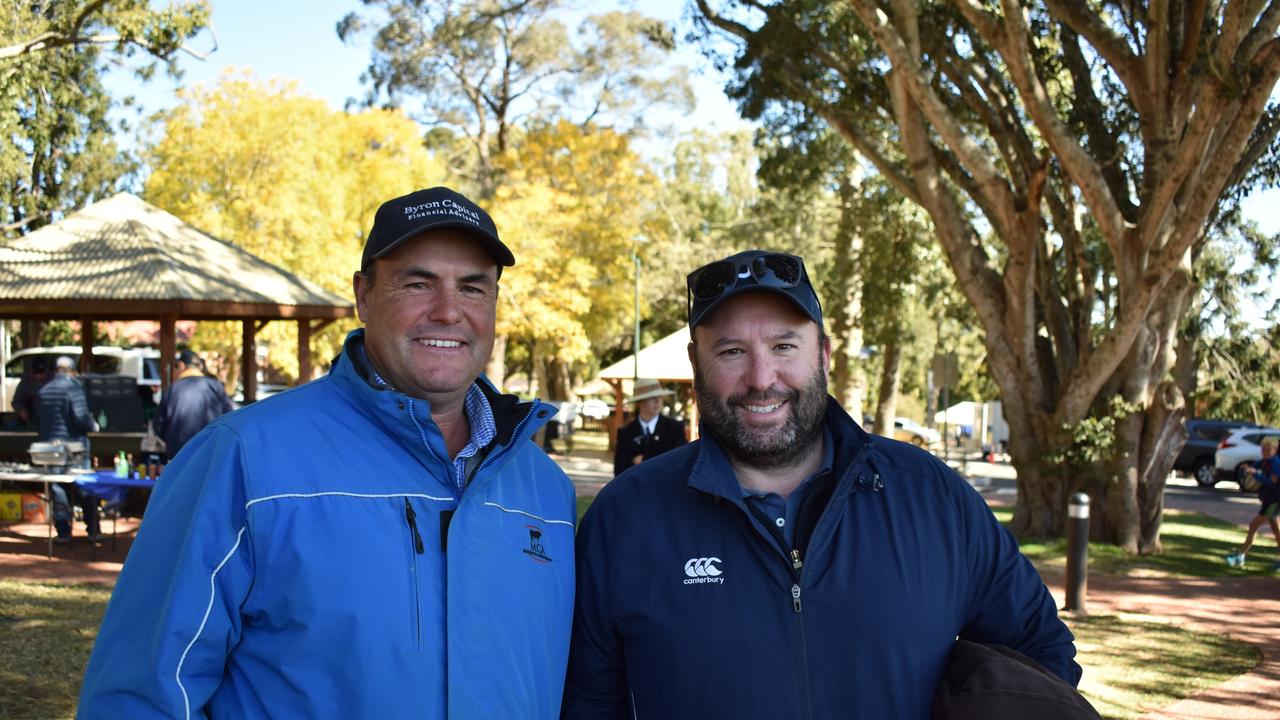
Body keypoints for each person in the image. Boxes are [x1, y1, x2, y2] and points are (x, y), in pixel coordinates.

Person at [79, 186, 577, 718]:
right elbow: (143, 697)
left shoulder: (547, 490)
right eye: (418, 283)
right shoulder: (242, 460)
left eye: (473, 288)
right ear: (363, 296)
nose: (448, 311)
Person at [564, 250, 1080, 718]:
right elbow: (588, 703)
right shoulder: (624, 520)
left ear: (825, 355)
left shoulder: (933, 498)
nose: (761, 377)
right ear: (696, 364)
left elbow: (1040, 653)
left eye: (784, 345)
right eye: (730, 352)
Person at [35, 356, 101, 543]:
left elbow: (38, 424)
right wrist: (94, 425)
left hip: (50, 449)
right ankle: (93, 530)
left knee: (57, 488)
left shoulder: (43, 391)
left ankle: (63, 532)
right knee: (85, 487)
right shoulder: (74, 389)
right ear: (72, 372)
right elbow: (81, 418)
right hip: (75, 448)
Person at [152, 349, 235, 457]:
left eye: (175, 367)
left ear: (181, 365)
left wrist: (172, 439)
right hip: (211, 453)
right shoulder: (216, 386)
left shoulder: (172, 390)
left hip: (179, 455)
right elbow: (229, 418)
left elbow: (158, 426)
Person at [1224, 435, 1280, 571]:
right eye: (1263, 448)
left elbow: (1272, 483)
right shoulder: (1264, 462)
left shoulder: (1276, 464)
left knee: (1253, 526)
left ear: (1275, 449)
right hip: (1268, 500)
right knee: (1276, 530)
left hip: (1275, 501)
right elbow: (1253, 466)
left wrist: (1256, 475)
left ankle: (1240, 556)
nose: (1265, 451)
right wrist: (1246, 468)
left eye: (1268, 449)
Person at [612, 378, 687, 476]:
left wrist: (642, 460)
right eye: (652, 397)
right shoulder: (626, 433)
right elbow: (619, 470)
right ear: (639, 401)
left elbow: (680, 462)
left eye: (659, 396)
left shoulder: (674, 428)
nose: (657, 401)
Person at [11, 356, 48, 428]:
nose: (40, 376)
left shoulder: (52, 381)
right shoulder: (26, 382)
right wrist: (21, 410)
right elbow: (16, 401)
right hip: (30, 419)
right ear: (32, 371)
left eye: (42, 373)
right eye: (37, 373)